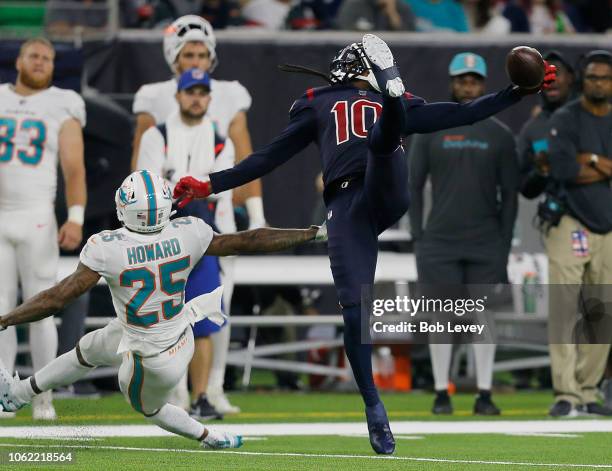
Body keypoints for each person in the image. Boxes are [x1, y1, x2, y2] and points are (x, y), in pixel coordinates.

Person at [173, 34, 555, 454]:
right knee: (356, 311)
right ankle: (374, 408)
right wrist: (211, 183)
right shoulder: (320, 101)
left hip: (372, 191)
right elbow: (268, 157)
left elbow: (464, 114)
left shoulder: (351, 101)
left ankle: (373, 404)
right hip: (356, 201)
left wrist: (518, 91)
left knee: (382, 144)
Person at [0, 170, 325, 448]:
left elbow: (57, 298)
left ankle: (210, 435)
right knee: (88, 349)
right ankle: (19, 393)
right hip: (174, 332)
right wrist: (312, 233)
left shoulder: (108, 247)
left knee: (149, 408)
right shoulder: (188, 233)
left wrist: (6, 319)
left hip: (150, 356)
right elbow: (250, 240)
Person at [132, 15, 264, 415]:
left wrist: (256, 219)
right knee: (164, 314)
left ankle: (213, 387)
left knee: (214, 310)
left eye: (201, 53)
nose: (196, 60)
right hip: (165, 228)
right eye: (187, 53)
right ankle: (170, 391)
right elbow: (140, 171)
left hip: (214, 228)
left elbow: (247, 161)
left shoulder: (226, 109)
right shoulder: (156, 110)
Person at [409, 52, 519, 416]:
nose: (468, 84)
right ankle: (442, 391)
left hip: (485, 241)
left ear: (484, 83)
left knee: (482, 317)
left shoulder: (501, 136)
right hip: (439, 241)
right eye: (462, 79)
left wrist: (502, 250)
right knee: (442, 316)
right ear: (452, 83)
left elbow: (511, 198)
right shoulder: (430, 131)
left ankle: (484, 393)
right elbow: (412, 187)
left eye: (474, 79)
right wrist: (419, 240)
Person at [136, 68, 232, 419]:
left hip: (204, 236)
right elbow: (144, 187)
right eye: (190, 91)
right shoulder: (156, 135)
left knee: (205, 319)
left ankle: (202, 395)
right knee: (161, 322)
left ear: (209, 97)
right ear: (177, 95)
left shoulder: (220, 139)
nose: (196, 97)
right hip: (161, 236)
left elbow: (222, 192)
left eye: (202, 92)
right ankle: (169, 394)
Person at [0, 37, 87, 420]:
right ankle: (5, 391)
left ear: (54, 66)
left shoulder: (62, 103)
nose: (40, 62)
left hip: (37, 215)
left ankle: (42, 394)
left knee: (40, 307)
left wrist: (76, 216)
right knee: (0, 310)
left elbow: (74, 166)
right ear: (18, 61)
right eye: (34, 56)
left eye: (48, 58)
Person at [545, 50, 612, 418]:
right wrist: (599, 167)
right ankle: (565, 393)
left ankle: (588, 391)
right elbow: (562, 170)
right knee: (565, 308)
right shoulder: (567, 117)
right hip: (570, 220)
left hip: (609, 225)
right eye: (591, 77)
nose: (597, 83)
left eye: (603, 77)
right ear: (582, 80)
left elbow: (577, 165)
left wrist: (589, 159)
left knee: (603, 311)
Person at [518, 50, 574, 200]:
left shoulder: (590, 116)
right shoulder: (531, 130)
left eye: (556, 72)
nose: (550, 79)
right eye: (545, 74)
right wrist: (540, 173)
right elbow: (525, 189)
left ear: (570, 77)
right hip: (559, 219)